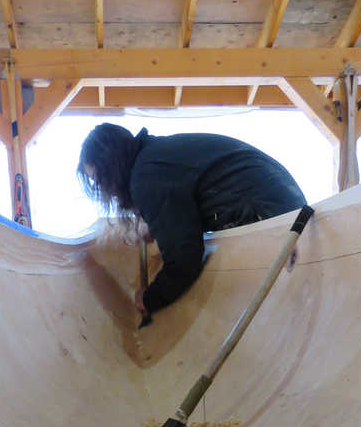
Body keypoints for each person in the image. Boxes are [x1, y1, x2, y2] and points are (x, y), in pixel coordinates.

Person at [77, 124, 306, 318]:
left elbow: (184, 257)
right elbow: (186, 200)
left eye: (100, 178)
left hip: (270, 217)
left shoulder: (146, 176)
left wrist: (150, 298)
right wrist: (156, 225)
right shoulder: (154, 158)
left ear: (112, 167)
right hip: (283, 207)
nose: (103, 188)